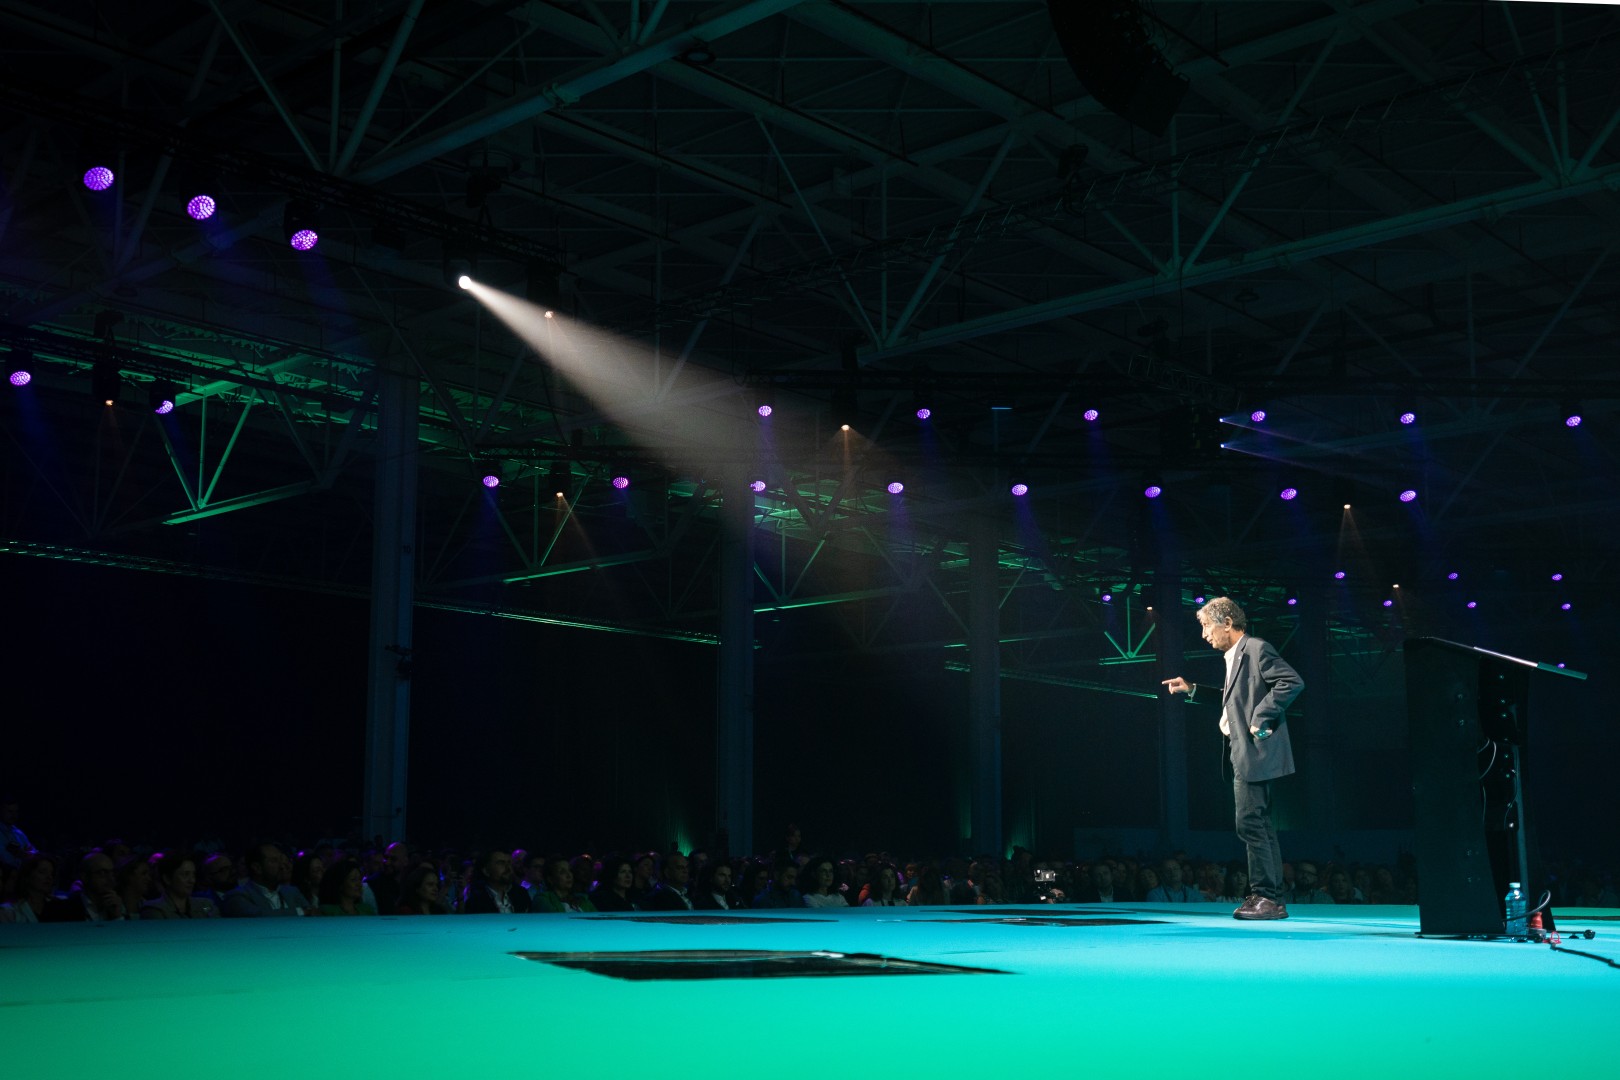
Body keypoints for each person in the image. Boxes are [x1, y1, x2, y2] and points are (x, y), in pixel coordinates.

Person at [1163, 596, 1304, 921]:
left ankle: (1265, 897)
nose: (1204, 634)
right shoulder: (1235, 656)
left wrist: (1261, 716)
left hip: (1253, 750)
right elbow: (1233, 704)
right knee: (1260, 824)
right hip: (1243, 750)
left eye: (1206, 625)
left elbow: (1291, 682)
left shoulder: (1255, 648)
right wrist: (1193, 689)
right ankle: (1274, 899)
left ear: (1227, 622)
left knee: (1250, 823)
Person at [142, 852, 220, 919]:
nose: (192, 880)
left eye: (193, 875)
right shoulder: (154, 909)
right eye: (185, 874)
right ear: (167, 879)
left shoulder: (205, 905)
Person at [532, 857, 598, 914]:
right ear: (550, 879)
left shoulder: (582, 899)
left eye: (570, 870)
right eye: (562, 872)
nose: (569, 875)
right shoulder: (543, 899)